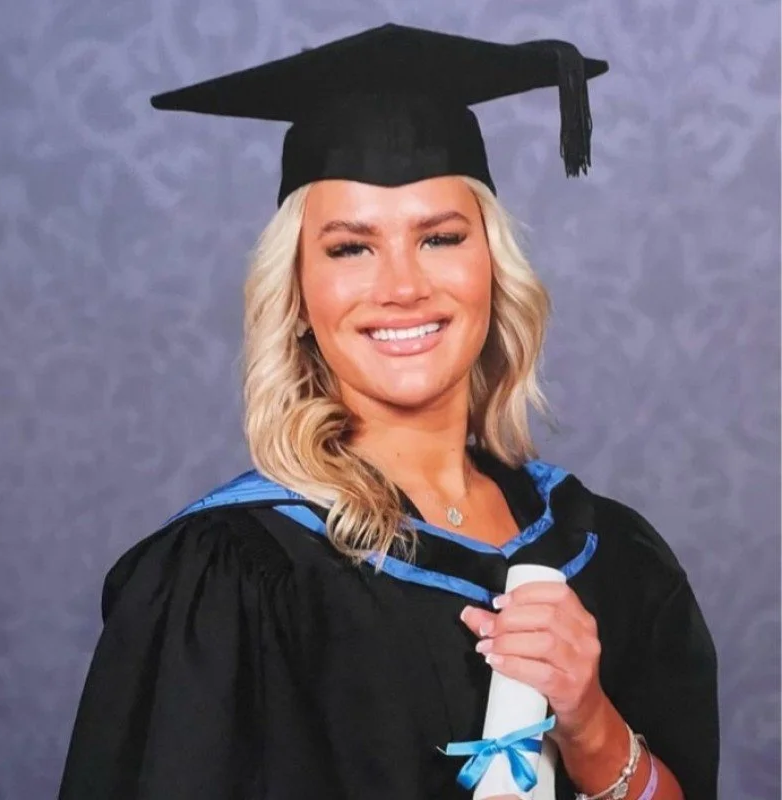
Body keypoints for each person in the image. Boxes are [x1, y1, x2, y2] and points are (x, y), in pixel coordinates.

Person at [58, 23, 719, 800]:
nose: (402, 286)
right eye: (350, 248)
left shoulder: (612, 555)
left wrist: (592, 722)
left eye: (440, 238)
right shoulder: (234, 575)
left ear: (493, 271)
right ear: (299, 295)